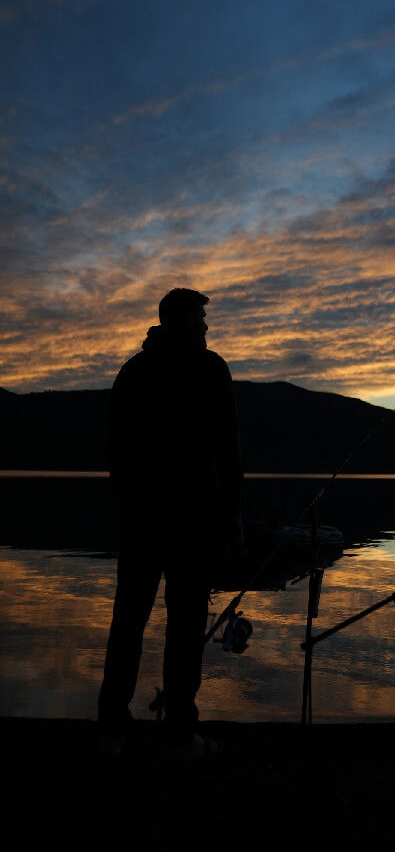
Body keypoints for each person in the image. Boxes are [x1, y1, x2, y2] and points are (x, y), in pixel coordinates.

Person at [98, 288, 242, 761]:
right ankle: (180, 735)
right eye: (201, 318)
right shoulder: (209, 368)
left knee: (128, 624)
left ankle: (112, 731)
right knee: (184, 629)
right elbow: (228, 449)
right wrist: (231, 517)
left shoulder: (132, 372)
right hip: (192, 521)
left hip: (139, 520)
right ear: (181, 320)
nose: (207, 327)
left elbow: (114, 451)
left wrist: (127, 500)